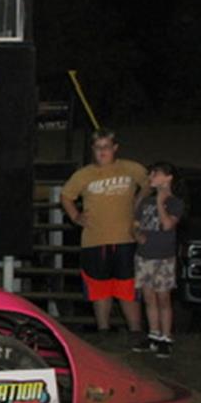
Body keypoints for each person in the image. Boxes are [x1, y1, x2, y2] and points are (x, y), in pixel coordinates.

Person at [61, 129, 148, 339]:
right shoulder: (83, 175)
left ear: (115, 148)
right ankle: (103, 330)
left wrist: (138, 202)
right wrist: (76, 216)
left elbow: (148, 184)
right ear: (93, 149)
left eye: (106, 147)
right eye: (98, 147)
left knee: (127, 287)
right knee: (99, 288)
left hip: (125, 239)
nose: (102, 152)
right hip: (94, 240)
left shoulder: (130, 168)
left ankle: (135, 331)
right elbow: (66, 196)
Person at [131, 162, 183, 357]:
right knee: (148, 297)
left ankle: (166, 337)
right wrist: (137, 235)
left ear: (168, 177)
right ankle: (153, 335)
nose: (151, 176)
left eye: (156, 173)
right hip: (144, 255)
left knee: (163, 298)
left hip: (163, 257)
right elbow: (135, 224)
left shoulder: (175, 202)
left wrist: (161, 202)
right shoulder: (146, 202)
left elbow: (168, 225)